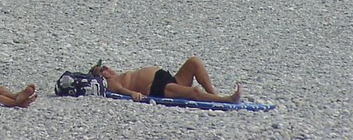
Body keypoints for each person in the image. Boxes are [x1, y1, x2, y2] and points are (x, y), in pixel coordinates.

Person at [90, 57, 241, 104]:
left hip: (167, 79)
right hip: (155, 87)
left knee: (194, 62)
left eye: (105, 66)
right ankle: (226, 100)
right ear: (102, 76)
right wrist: (133, 94)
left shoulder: (118, 75)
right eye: (102, 70)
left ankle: (214, 96)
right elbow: (121, 90)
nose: (107, 68)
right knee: (193, 92)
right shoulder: (110, 83)